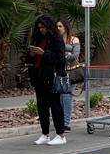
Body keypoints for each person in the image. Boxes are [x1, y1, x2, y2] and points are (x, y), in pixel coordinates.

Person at [27, 15, 67, 146]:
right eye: (39, 28)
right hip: (39, 76)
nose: (41, 30)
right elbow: (31, 59)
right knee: (42, 106)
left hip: (52, 76)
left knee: (55, 105)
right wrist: (32, 54)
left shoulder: (56, 40)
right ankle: (45, 133)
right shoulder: (39, 39)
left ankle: (60, 134)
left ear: (49, 27)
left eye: (43, 27)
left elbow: (60, 58)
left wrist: (44, 53)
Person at [56, 18, 81, 133]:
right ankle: (61, 121)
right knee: (60, 97)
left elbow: (75, 55)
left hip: (71, 72)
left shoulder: (74, 40)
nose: (58, 28)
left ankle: (66, 123)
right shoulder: (55, 39)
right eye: (57, 26)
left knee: (66, 96)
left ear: (65, 27)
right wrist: (66, 53)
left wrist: (63, 55)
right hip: (59, 71)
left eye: (60, 26)